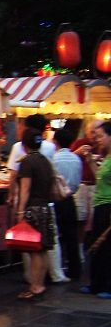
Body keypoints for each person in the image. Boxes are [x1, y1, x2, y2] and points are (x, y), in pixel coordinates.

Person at [7, 114, 69, 284]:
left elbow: (16, 178)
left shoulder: (20, 150)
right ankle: (55, 274)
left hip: (31, 204)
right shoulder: (49, 148)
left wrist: (16, 205)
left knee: (29, 244)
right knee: (48, 243)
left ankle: (32, 280)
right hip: (47, 202)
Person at [14, 128, 57, 300]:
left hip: (33, 209)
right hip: (46, 208)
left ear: (24, 144)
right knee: (43, 249)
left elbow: (25, 189)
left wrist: (20, 210)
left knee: (34, 251)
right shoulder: (45, 161)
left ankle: (35, 286)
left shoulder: (27, 162)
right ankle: (40, 284)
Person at [83, 121, 111, 299]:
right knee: (97, 246)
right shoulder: (106, 158)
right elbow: (99, 178)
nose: (97, 139)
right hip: (100, 205)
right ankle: (96, 284)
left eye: (101, 136)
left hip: (109, 206)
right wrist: (89, 161)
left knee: (106, 246)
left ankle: (107, 286)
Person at [53, 129, 83, 280]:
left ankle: (56, 270)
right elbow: (78, 182)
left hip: (56, 201)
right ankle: (75, 270)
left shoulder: (54, 159)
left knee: (55, 237)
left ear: (55, 141)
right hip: (70, 200)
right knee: (72, 236)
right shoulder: (76, 159)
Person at [72, 120, 103, 255]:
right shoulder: (80, 143)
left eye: (97, 132)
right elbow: (69, 158)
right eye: (92, 132)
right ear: (86, 132)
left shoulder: (104, 146)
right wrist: (77, 152)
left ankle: (92, 247)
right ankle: (80, 249)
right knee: (80, 218)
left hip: (97, 186)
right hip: (82, 185)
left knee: (96, 219)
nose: (94, 136)